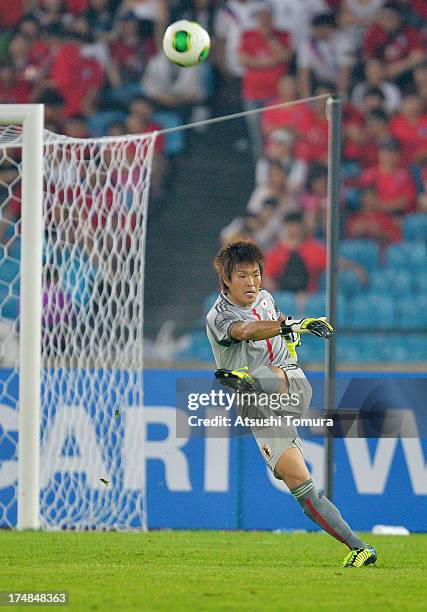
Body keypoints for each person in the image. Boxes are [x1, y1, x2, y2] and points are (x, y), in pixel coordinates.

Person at [206, 239, 377, 568]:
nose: (252, 283)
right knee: (298, 481)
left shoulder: (267, 299)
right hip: (258, 409)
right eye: (242, 276)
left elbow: (274, 319)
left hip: (289, 382)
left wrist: (290, 330)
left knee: (265, 374)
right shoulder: (219, 316)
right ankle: (360, 547)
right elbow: (245, 331)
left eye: (256, 274)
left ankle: (246, 380)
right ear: (226, 278)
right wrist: (290, 325)